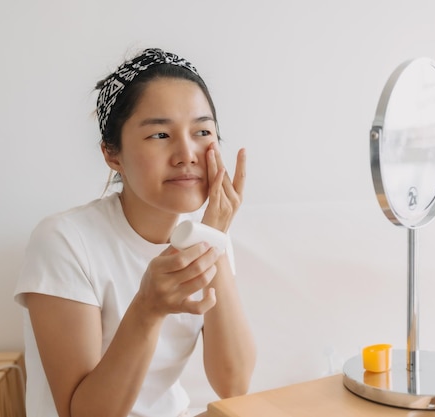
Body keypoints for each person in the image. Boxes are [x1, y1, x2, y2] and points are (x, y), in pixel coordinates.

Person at [14, 47, 256, 417]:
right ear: (112, 154)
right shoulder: (63, 241)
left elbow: (233, 383)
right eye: (160, 134)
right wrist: (147, 308)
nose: (187, 153)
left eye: (202, 131)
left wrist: (214, 238)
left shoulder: (208, 235)